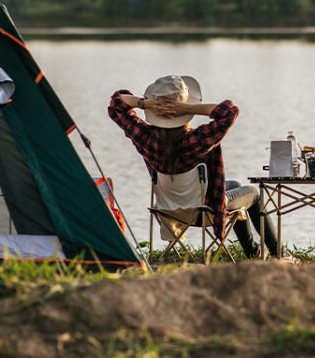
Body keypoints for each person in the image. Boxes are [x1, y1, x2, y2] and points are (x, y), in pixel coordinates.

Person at [108, 74, 287, 259]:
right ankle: (278, 253)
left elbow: (116, 104)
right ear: (183, 112)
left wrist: (145, 104)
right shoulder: (197, 140)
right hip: (204, 211)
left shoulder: (145, 138)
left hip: (168, 210)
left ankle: (253, 251)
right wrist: (188, 107)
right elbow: (230, 112)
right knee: (253, 195)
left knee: (233, 185)